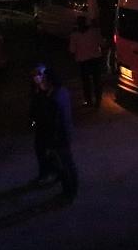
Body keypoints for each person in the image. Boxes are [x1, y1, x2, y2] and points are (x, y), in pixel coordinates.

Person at [36, 65, 79, 200]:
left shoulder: (53, 98)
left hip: (59, 138)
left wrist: (50, 144)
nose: (41, 81)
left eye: (44, 79)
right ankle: (72, 190)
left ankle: (69, 193)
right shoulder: (62, 92)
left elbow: (53, 122)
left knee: (64, 166)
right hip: (65, 134)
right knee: (68, 163)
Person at [29, 64, 55, 186]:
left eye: (38, 74)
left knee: (48, 152)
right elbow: (34, 109)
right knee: (40, 151)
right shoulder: (36, 90)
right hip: (40, 127)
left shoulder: (49, 91)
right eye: (34, 75)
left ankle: (50, 174)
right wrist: (33, 122)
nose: (36, 77)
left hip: (48, 128)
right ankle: (44, 174)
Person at [69, 16, 104, 107]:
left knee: (86, 82)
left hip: (83, 61)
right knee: (97, 81)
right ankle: (98, 100)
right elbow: (102, 44)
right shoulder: (94, 32)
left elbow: (72, 50)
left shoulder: (74, 35)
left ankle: (89, 101)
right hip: (95, 60)